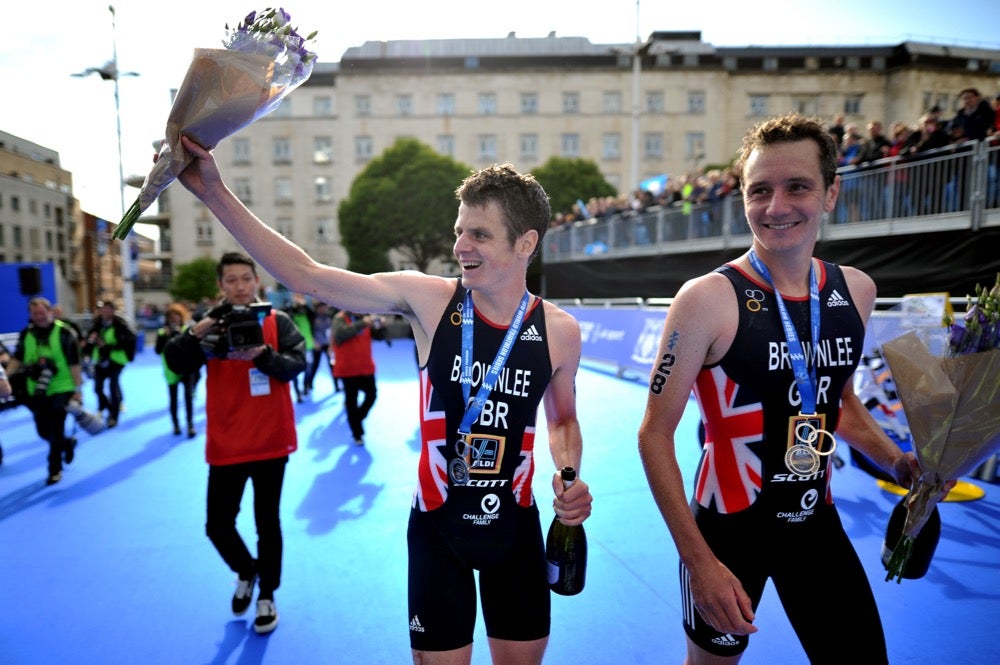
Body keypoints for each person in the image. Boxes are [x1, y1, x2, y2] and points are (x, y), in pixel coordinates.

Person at [171, 135, 593, 665]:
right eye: (459, 230)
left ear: (525, 243)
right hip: (439, 529)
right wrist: (214, 193)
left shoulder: (560, 331)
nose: (461, 245)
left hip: (517, 529)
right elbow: (308, 276)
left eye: (480, 235)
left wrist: (569, 472)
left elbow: (563, 420)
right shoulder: (430, 300)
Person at [636, 113, 939, 665]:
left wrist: (897, 461)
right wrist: (697, 561)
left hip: (813, 523)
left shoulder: (856, 291)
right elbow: (654, 434)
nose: (776, 207)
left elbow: (837, 403)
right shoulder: (705, 299)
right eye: (760, 191)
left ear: (830, 194)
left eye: (797, 186)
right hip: (726, 533)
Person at [164, 251, 306, 635]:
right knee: (217, 525)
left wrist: (263, 356)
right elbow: (175, 362)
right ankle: (247, 569)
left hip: (272, 440)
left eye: (246, 278)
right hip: (226, 442)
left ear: (256, 280)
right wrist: (199, 330)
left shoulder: (279, 321)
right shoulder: (207, 325)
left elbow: (297, 364)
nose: (240, 286)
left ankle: (267, 595)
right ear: (220, 286)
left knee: (267, 522)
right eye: (231, 280)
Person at [5, 297, 84, 485]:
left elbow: (75, 364)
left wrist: (78, 390)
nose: (39, 317)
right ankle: (67, 443)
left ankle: (54, 469)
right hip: (37, 391)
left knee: (56, 428)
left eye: (42, 313)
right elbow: (18, 358)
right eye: (35, 314)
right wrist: (4, 377)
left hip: (62, 388)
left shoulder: (66, 333)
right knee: (43, 431)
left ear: (50, 312)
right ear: (30, 315)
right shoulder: (27, 334)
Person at [331, 310, 382, 445]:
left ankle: (356, 419)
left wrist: (379, 326)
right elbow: (339, 335)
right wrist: (362, 324)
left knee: (372, 395)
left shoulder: (366, 319)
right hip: (348, 369)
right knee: (351, 401)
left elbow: (379, 337)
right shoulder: (340, 318)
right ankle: (357, 433)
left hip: (366, 367)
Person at [84, 300, 136, 428]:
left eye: (108, 309)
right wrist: (90, 343)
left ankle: (114, 416)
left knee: (113, 385)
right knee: (97, 388)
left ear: (113, 311)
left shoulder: (120, 325)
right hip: (100, 360)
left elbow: (128, 341)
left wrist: (108, 346)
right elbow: (88, 341)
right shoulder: (96, 325)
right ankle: (107, 406)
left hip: (116, 360)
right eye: (103, 309)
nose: (105, 311)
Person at [154, 303, 200, 438]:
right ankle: (176, 425)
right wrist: (165, 337)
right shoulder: (162, 332)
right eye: (171, 317)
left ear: (181, 318)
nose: (174, 320)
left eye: (177, 317)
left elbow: (194, 349)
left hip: (187, 369)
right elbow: (157, 351)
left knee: (188, 397)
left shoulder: (188, 330)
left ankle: (190, 425)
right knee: (173, 399)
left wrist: (182, 336)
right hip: (171, 371)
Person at [283, 293, 315, 402]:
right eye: (297, 296)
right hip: (295, 346)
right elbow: (286, 315)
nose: (299, 299)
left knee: (309, 369)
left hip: (309, 345)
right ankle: (297, 393)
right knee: (294, 371)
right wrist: (294, 305)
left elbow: (313, 315)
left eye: (301, 296)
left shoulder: (307, 311)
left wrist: (304, 305)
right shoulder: (290, 310)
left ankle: (306, 386)